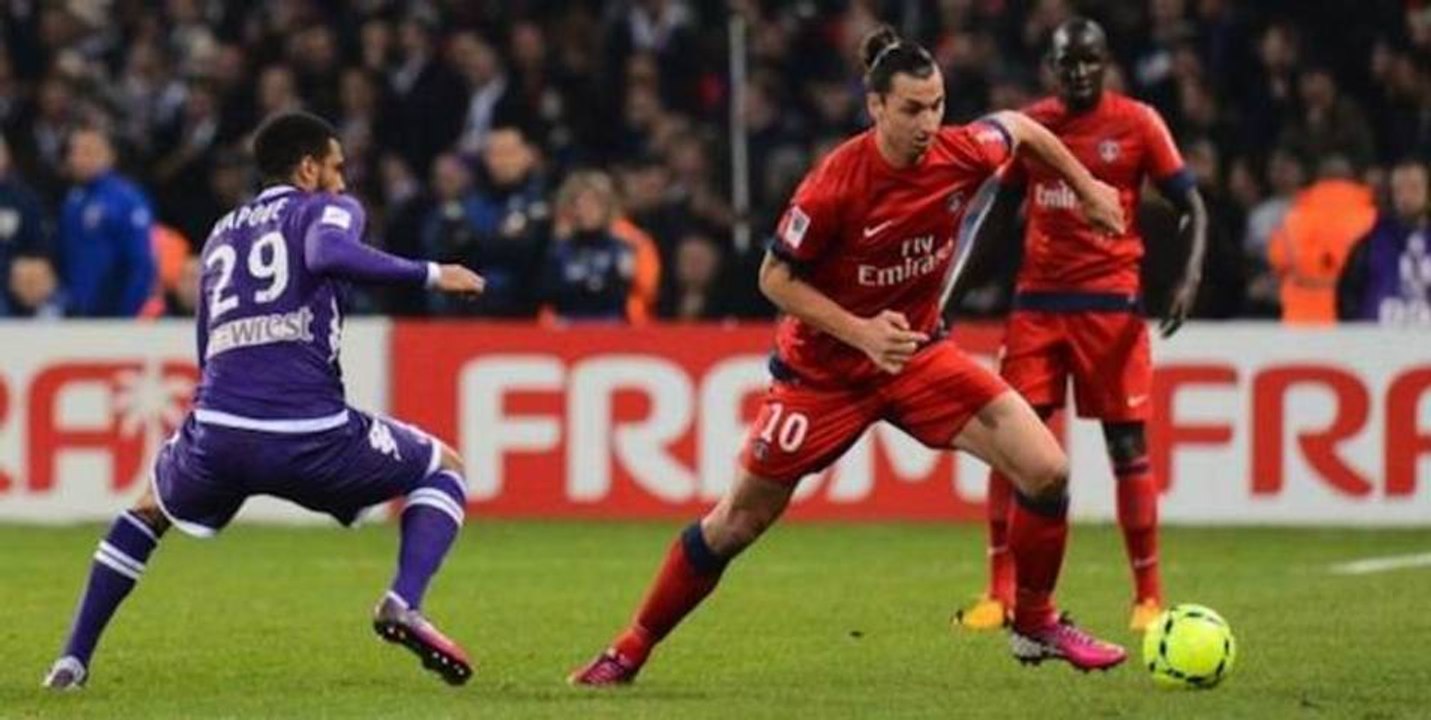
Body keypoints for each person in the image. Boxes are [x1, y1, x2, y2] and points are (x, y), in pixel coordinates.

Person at [569, 26, 1129, 686]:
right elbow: (774, 279)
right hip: (824, 376)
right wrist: (860, 332)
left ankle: (1034, 624)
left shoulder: (962, 151)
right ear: (876, 107)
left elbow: (1020, 128)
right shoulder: (835, 183)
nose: (929, 123)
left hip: (915, 357)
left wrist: (1088, 186)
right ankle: (629, 649)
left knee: (1046, 471)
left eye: (937, 105)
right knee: (736, 523)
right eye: (912, 109)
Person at [42, 112, 486, 690]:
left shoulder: (223, 230)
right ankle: (404, 602)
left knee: (147, 510)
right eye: (336, 168)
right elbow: (328, 252)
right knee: (443, 467)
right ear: (308, 169)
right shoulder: (327, 208)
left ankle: (71, 663)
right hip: (311, 434)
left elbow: (207, 337)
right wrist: (432, 274)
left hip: (219, 429)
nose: (344, 183)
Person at [955, 18, 1209, 634]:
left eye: (1089, 61)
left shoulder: (1139, 124)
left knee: (1127, 446)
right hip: (1038, 305)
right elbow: (995, 211)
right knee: (1016, 444)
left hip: (1111, 307)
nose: (1078, 73)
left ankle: (1147, 596)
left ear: (1105, 63)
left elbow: (1191, 203)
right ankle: (1000, 592)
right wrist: (951, 291)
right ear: (1052, 66)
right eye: (1067, 63)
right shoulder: (1035, 127)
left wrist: (1189, 277)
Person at [58, 127, 157, 317]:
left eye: (88, 151)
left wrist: (128, 312)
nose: (77, 158)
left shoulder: (127, 199)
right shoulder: (73, 199)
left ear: (110, 156)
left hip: (114, 312)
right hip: (76, 311)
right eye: (74, 151)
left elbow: (141, 261)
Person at [1338, 159, 1431, 324]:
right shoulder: (1370, 242)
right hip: (1380, 343)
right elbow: (1348, 295)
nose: (1407, 197)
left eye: (1414, 188)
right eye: (1400, 190)